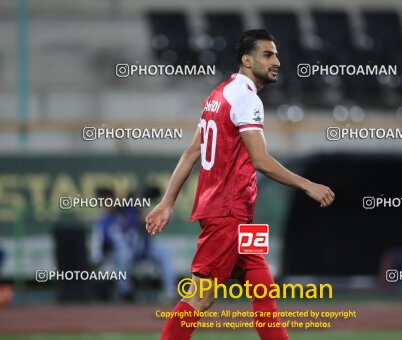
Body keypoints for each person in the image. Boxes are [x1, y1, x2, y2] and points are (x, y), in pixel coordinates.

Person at [145, 29, 335, 340]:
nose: (277, 61)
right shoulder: (247, 99)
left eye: (276, 54)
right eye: (268, 55)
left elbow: (192, 151)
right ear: (247, 60)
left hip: (234, 213)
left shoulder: (218, 95)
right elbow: (260, 160)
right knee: (200, 297)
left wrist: (167, 202)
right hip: (228, 212)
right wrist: (307, 185)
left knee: (263, 285)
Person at [91, 188, 176, 302]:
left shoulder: (127, 210)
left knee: (165, 251)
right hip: (118, 254)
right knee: (123, 253)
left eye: (109, 199)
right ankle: (125, 292)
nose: (108, 203)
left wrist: (142, 215)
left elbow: (141, 207)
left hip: (139, 249)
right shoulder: (103, 222)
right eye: (104, 201)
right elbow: (98, 246)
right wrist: (97, 259)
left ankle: (170, 292)